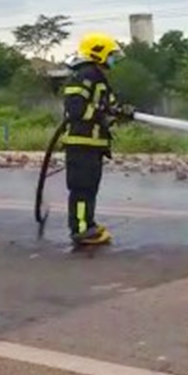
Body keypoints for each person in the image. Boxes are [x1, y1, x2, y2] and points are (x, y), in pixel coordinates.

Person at [60, 31, 134, 247]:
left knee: (89, 188)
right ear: (98, 53)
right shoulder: (84, 75)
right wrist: (103, 114)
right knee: (82, 188)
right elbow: (76, 109)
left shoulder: (98, 77)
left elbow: (108, 107)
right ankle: (82, 231)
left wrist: (122, 112)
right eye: (111, 54)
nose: (113, 60)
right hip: (81, 143)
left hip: (92, 145)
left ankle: (88, 224)